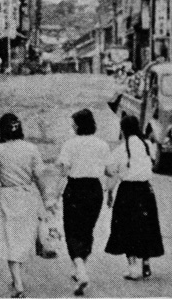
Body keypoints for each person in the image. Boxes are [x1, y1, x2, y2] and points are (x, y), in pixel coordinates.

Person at [0, 113, 49, 298]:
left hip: (7, 197)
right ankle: (18, 279)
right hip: (27, 196)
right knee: (22, 238)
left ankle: (18, 282)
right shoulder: (31, 149)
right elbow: (39, 176)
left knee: (10, 240)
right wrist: (45, 198)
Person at [56, 109, 110, 296]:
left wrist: (55, 194)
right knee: (87, 230)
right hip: (94, 189)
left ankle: (80, 269)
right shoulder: (102, 144)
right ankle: (80, 268)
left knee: (72, 230)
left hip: (75, 189)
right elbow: (108, 169)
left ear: (78, 126)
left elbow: (64, 171)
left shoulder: (70, 144)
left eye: (73, 125)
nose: (72, 128)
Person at [105, 115, 164, 279]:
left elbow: (112, 172)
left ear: (123, 130)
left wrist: (109, 192)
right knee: (146, 226)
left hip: (127, 192)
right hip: (145, 190)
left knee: (127, 228)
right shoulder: (147, 145)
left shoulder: (121, 149)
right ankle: (146, 261)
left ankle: (133, 267)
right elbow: (152, 161)